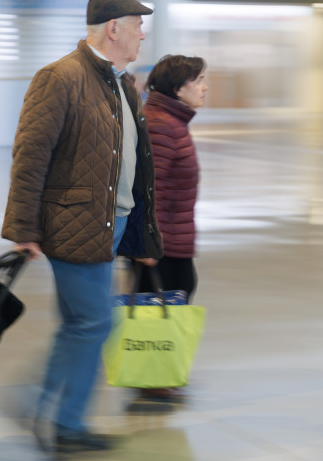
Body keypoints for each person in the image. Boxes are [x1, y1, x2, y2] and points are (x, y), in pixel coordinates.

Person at [1, 0, 162, 452]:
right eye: (136, 25)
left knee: (81, 322)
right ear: (113, 28)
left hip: (112, 222)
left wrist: (142, 231)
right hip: (75, 222)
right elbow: (30, 157)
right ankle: (59, 417)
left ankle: (52, 411)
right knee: (94, 322)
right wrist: (24, 227)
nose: (142, 34)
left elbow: (132, 163)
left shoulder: (122, 83)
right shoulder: (60, 77)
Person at [135, 54, 208, 399]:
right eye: (200, 80)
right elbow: (152, 191)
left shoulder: (168, 119)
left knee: (168, 298)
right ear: (179, 88)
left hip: (169, 237)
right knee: (162, 302)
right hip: (163, 241)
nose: (205, 87)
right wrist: (146, 243)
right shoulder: (163, 124)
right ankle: (152, 377)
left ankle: (153, 375)